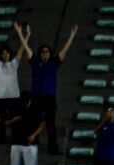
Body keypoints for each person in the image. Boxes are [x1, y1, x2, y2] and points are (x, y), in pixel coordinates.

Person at [20, 23, 77, 153]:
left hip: (49, 97)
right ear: (40, 53)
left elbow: (65, 50)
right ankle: (34, 142)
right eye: (42, 51)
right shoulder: (35, 62)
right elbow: (25, 46)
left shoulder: (54, 63)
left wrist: (72, 35)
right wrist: (21, 34)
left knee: (51, 124)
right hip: (36, 97)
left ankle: (52, 147)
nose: (45, 53)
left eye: (47, 52)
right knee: (35, 121)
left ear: (50, 53)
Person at [5, 94, 45, 165]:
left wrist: (33, 136)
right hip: (16, 143)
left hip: (31, 144)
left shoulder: (36, 110)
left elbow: (41, 126)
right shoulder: (14, 109)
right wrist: (16, 119)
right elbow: (6, 123)